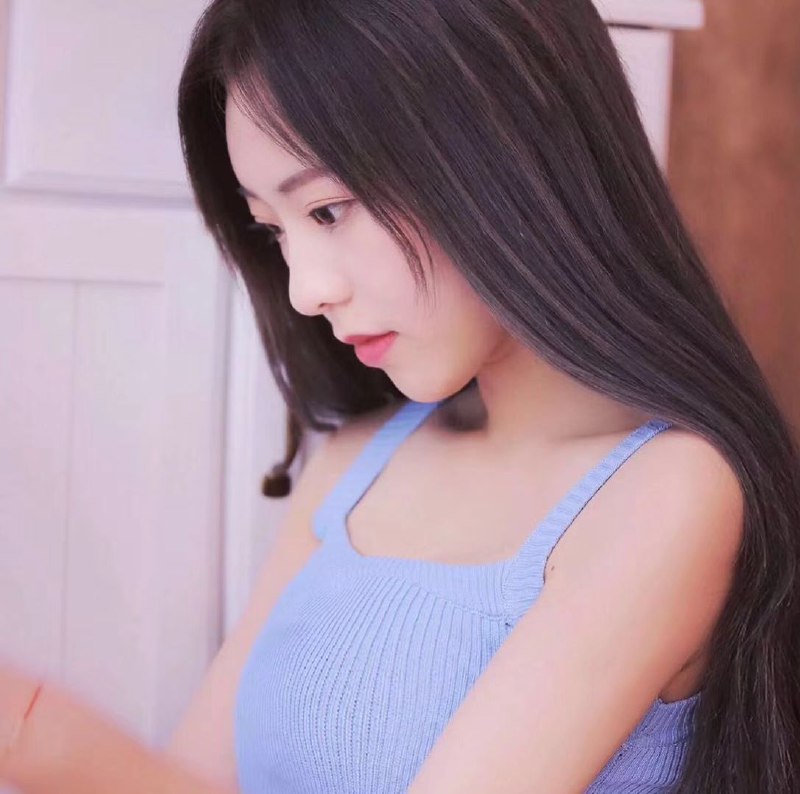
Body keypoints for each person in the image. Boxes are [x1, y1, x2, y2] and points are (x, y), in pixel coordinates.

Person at [2, 0, 799, 792]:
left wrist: (59, 749)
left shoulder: (669, 494)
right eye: (275, 231)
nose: (306, 290)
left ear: (508, 152)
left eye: (327, 210)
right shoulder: (354, 467)